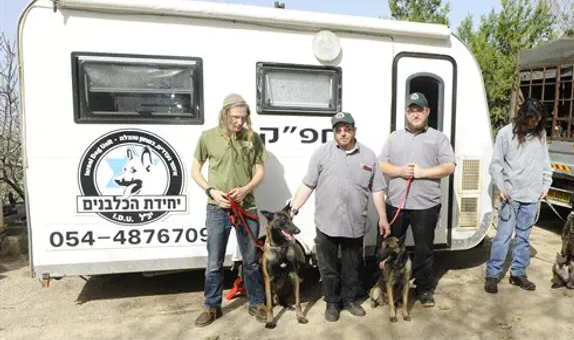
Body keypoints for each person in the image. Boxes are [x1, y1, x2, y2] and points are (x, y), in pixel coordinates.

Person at [289, 112, 390, 322]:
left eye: (347, 129)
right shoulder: (321, 154)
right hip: (327, 223)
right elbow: (308, 184)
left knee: (352, 267)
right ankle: (332, 303)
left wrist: (383, 218)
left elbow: (377, 190)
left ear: (354, 130)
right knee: (329, 268)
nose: (343, 133)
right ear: (334, 132)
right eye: (338, 130)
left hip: (355, 223)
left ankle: (350, 300)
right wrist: (293, 209)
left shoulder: (369, 156)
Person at [191, 93, 267, 327]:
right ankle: (212, 307)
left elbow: (261, 172)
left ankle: (256, 302)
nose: (239, 122)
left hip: (246, 207)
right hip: (217, 208)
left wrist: (246, 189)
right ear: (224, 114)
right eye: (235, 117)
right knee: (214, 261)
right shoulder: (207, 138)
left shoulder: (252, 139)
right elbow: (195, 170)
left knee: (251, 260)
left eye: (243, 118)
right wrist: (211, 191)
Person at [378, 92, 456, 307]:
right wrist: (400, 170)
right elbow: (381, 165)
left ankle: (423, 288)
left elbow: (449, 166)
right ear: (406, 113)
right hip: (396, 204)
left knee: (424, 249)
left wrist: (422, 173)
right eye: (411, 110)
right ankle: (387, 287)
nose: (415, 114)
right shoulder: (395, 137)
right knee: (389, 248)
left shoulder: (438, 137)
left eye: (419, 110)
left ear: (427, 112)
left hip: (426, 205)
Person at [484, 97, 552, 294]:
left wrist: (546, 183)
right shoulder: (506, 133)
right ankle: (492, 274)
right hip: (511, 196)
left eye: (538, 119)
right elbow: (496, 164)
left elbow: (545, 161)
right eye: (531, 119)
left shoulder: (540, 134)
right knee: (503, 236)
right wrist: (501, 186)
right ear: (523, 116)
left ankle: (518, 274)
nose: (534, 123)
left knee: (523, 237)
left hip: (532, 196)